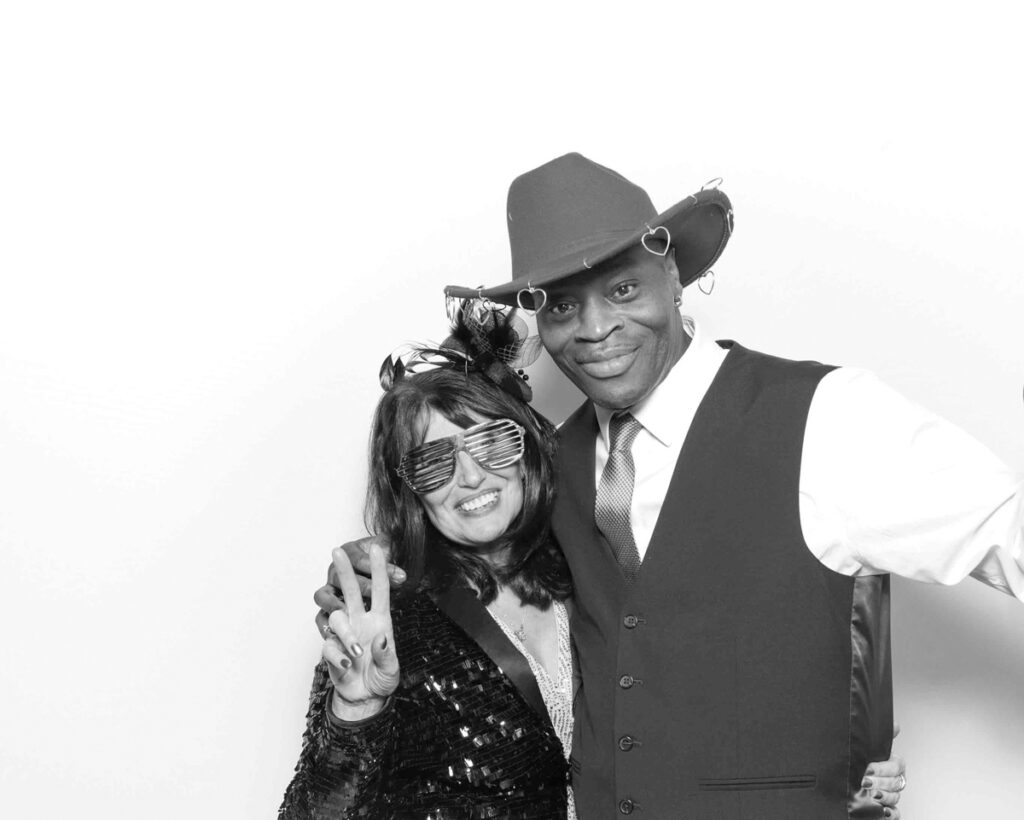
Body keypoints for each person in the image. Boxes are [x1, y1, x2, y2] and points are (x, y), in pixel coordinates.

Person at [320, 153, 1022, 819]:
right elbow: (481, 558)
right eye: (563, 307)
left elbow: (1006, 528)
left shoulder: (824, 417)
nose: (595, 329)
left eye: (622, 289)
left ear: (675, 276)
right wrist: (386, 559)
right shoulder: (549, 465)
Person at [280, 307, 577, 818]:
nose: (470, 475)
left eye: (491, 441)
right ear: (411, 491)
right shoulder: (386, 618)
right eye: (434, 461)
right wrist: (356, 711)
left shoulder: (584, 564)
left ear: (528, 448)